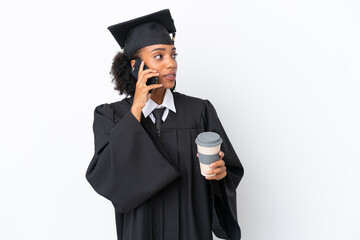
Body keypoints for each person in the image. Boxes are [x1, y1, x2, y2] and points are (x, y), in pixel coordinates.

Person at [85, 9, 244, 240]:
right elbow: (106, 176)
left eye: (173, 55)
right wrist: (136, 109)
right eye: (159, 56)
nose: (171, 64)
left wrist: (220, 177)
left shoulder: (199, 112)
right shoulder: (111, 116)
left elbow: (229, 171)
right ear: (136, 66)